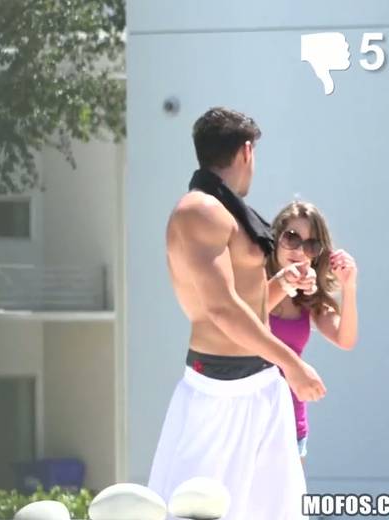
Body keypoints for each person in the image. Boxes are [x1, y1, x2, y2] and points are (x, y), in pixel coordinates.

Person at [147, 107, 325, 519]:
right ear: (247, 151)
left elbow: (243, 304)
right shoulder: (200, 210)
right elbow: (221, 309)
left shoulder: (224, 210)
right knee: (195, 511)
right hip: (219, 391)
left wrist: (284, 283)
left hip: (262, 384)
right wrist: (292, 363)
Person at [266, 201, 359, 462]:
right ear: (276, 239)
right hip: (249, 418)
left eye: (311, 245)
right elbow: (247, 319)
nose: (299, 251)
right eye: (291, 238)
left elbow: (345, 339)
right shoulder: (255, 283)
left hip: (291, 426)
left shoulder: (310, 297)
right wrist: (285, 283)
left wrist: (349, 287)